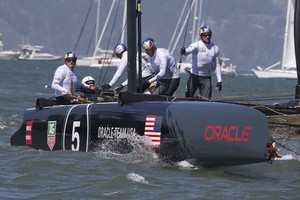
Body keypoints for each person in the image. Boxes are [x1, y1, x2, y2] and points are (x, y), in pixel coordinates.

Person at [181, 25, 222, 99]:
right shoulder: (196, 45)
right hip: (194, 76)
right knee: (187, 99)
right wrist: (184, 51)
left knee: (206, 101)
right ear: (201, 36)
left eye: (209, 35)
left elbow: (217, 65)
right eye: (205, 35)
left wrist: (219, 80)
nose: (207, 37)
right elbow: (187, 52)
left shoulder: (215, 48)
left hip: (206, 78)